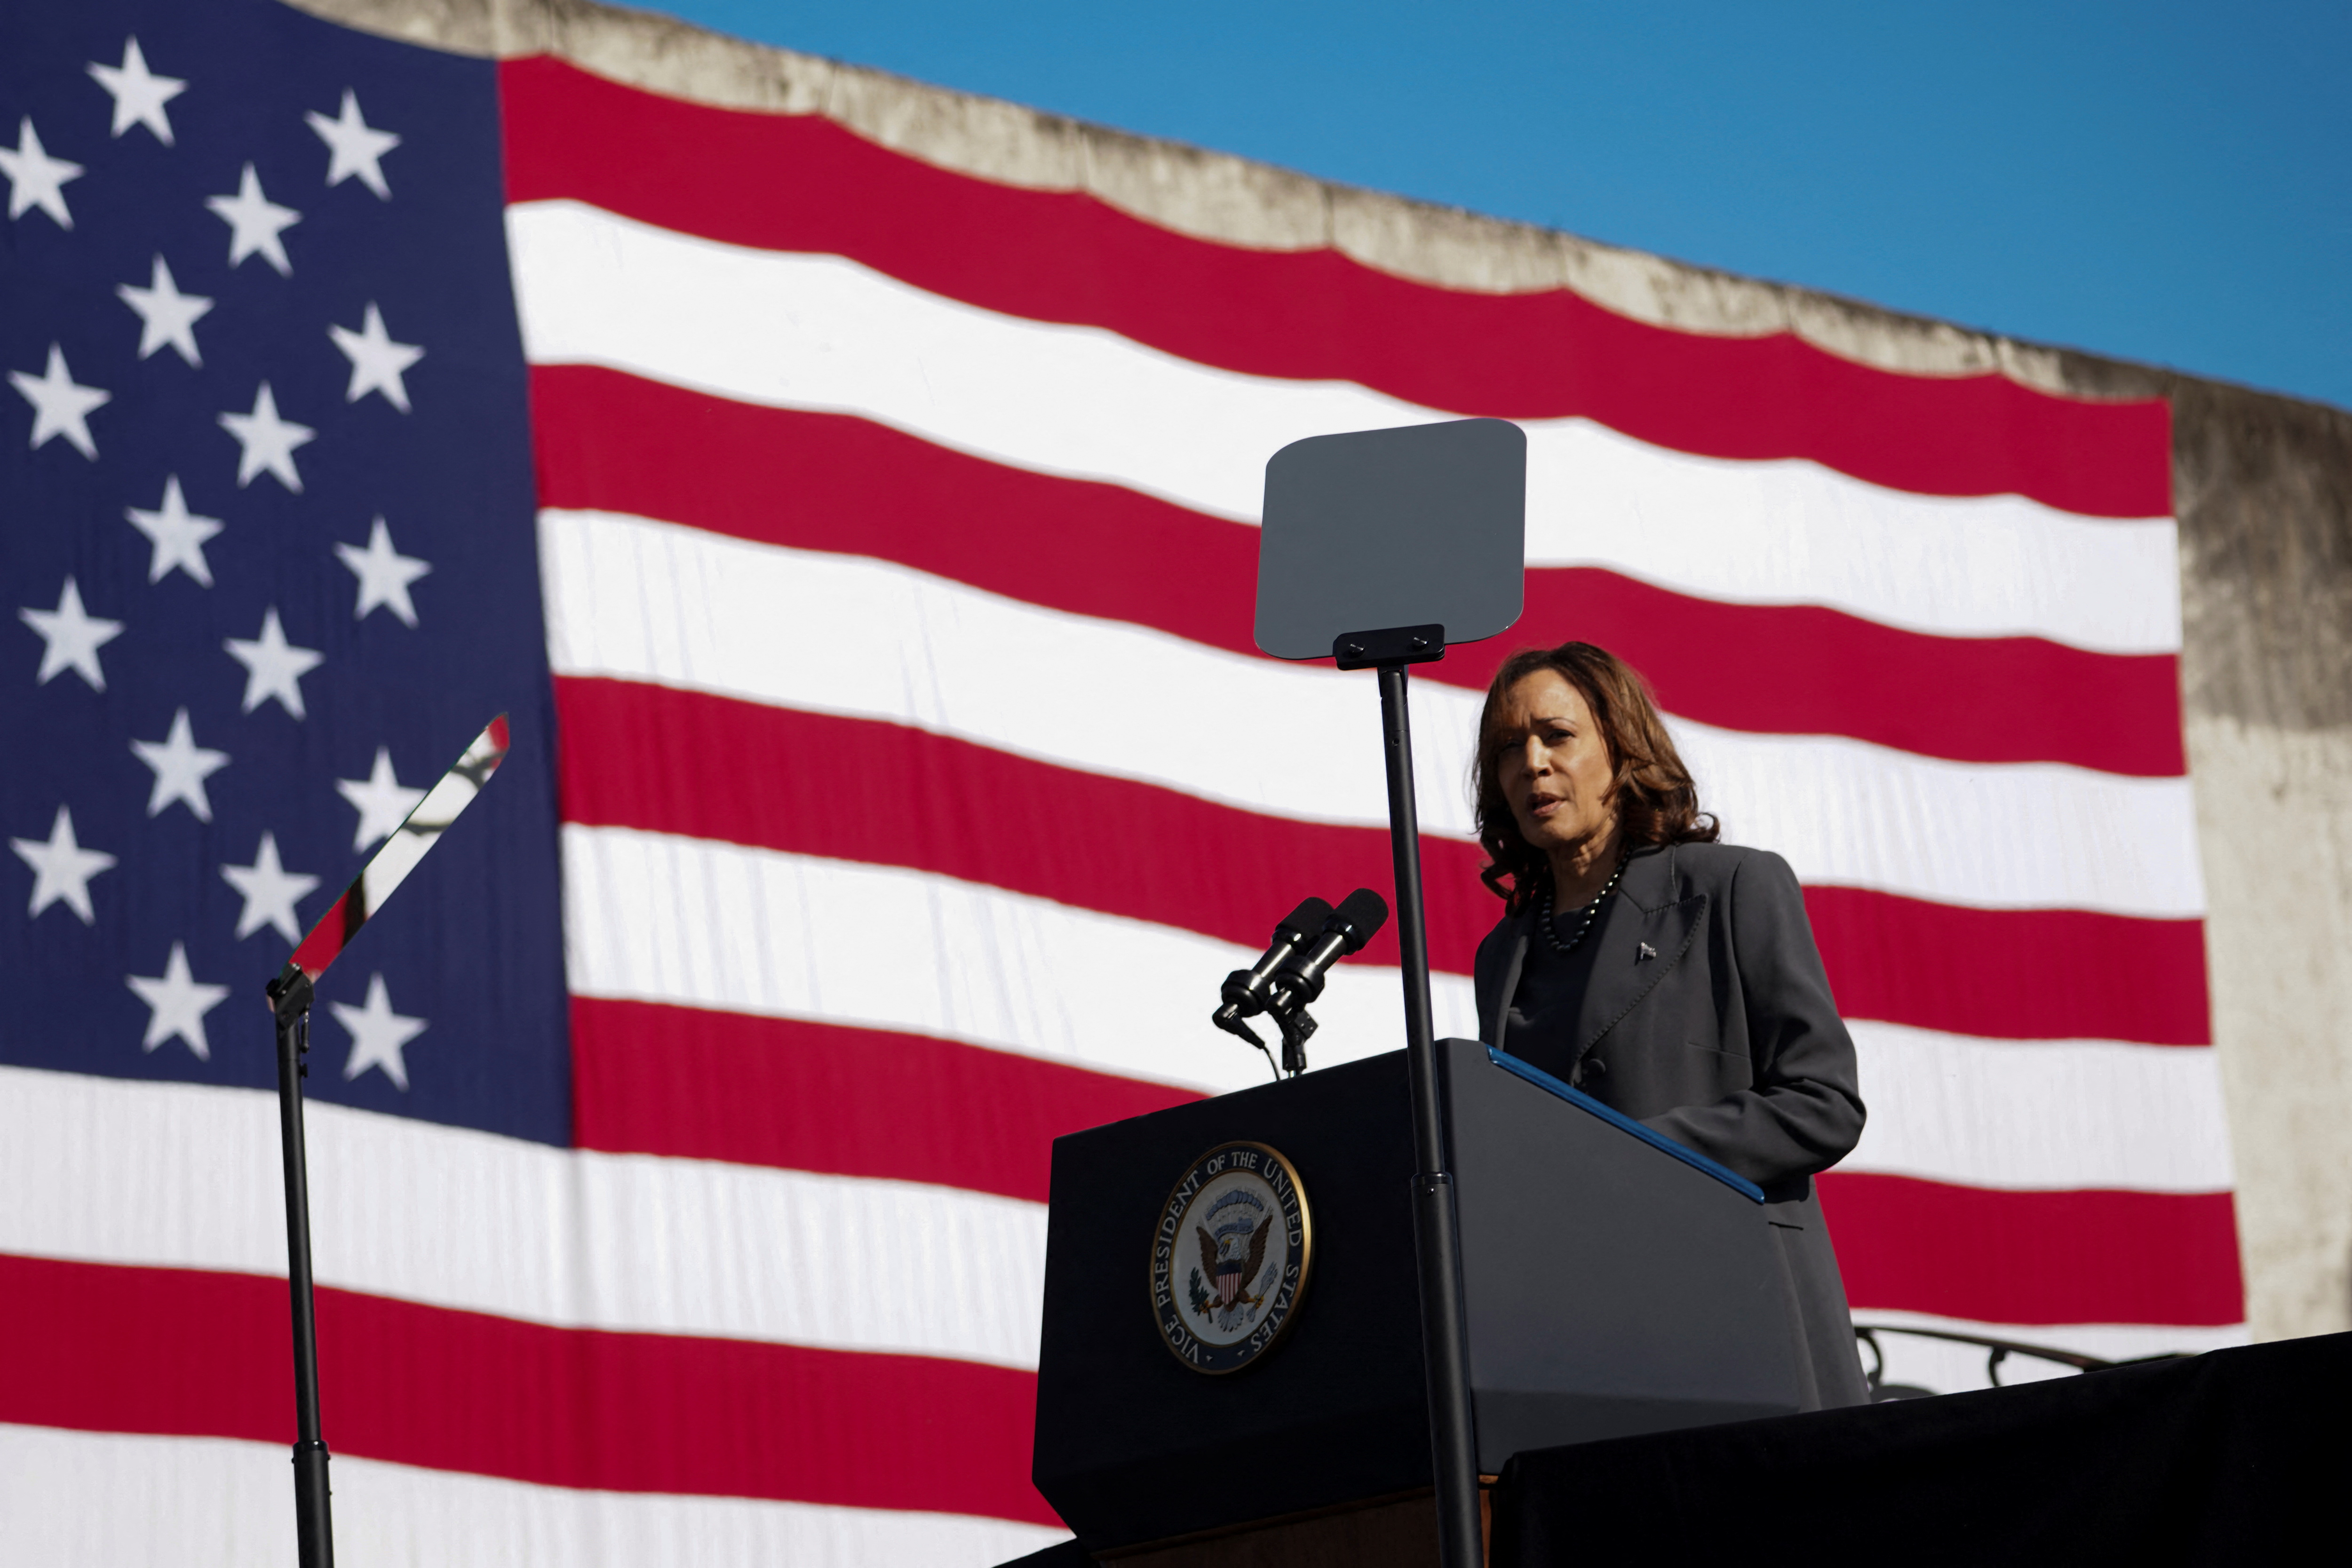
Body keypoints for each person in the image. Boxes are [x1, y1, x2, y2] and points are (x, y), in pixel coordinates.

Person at [1470, 641, 1870, 1409]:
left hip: (1744, 1315)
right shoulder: (1505, 955)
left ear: (1621, 749)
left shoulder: (1734, 888)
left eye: (1556, 735)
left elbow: (1825, 1102)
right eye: (1506, 748)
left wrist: (1638, 1157)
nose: (1531, 763)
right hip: (1595, 1348)